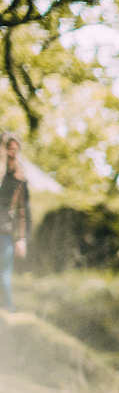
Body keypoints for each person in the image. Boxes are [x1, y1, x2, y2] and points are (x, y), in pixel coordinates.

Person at [0, 133, 32, 314]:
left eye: (15, 150)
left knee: (4, 278)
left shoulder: (19, 178)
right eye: (8, 149)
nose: (11, 153)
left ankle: (8, 314)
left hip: (4, 232)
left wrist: (22, 238)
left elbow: (23, 211)